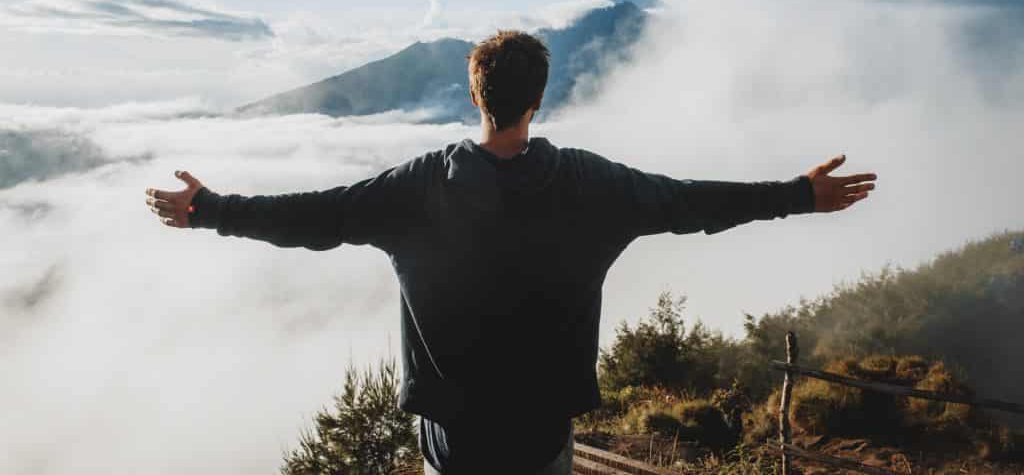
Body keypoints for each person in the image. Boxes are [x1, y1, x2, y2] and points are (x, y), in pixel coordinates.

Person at [145, 30, 877, 474]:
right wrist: (798, 194)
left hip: (453, 445)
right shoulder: (594, 187)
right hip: (539, 440)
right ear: (538, 102)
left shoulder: (416, 189)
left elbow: (315, 216)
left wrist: (210, 210)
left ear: (475, 97)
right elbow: (693, 202)